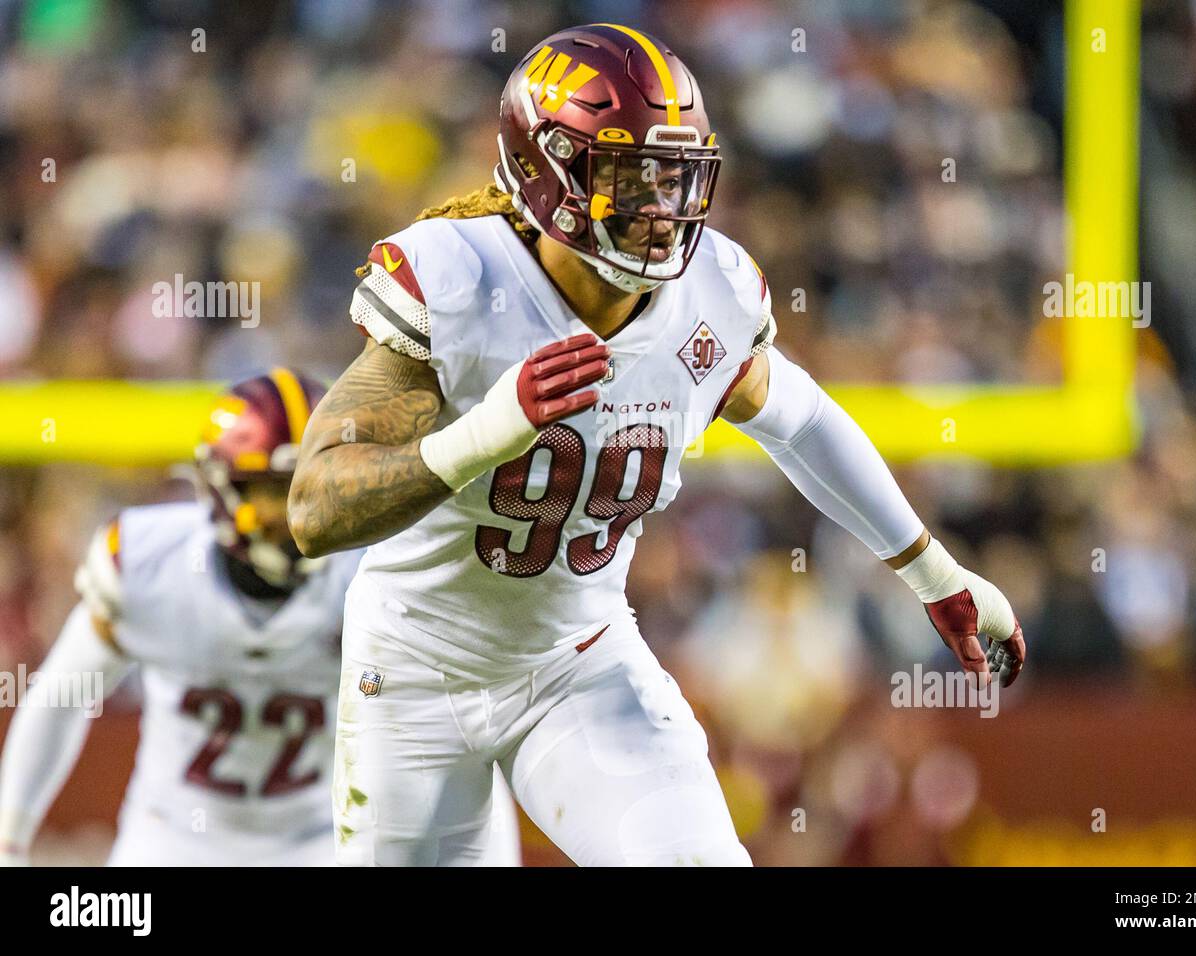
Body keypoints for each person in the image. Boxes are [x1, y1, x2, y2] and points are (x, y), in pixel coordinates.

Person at [288, 23, 1025, 867]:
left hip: (579, 660)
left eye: (677, 174)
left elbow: (803, 418)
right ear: (548, 168)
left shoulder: (710, 294)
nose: (664, 207)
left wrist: (934, 573)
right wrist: (484, 434)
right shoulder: (461, 280)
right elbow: (314, 509)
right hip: (415, 670)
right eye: (634, 175)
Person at [0, 369, 522, 866]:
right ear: (222, 488)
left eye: (321, 483)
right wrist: (10, 838)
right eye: (278, 489)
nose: (302, 508)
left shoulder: (378, 576)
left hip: (324, 842)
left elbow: (464, 741)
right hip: (172, 840)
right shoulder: (150, 564)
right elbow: (60, 696)